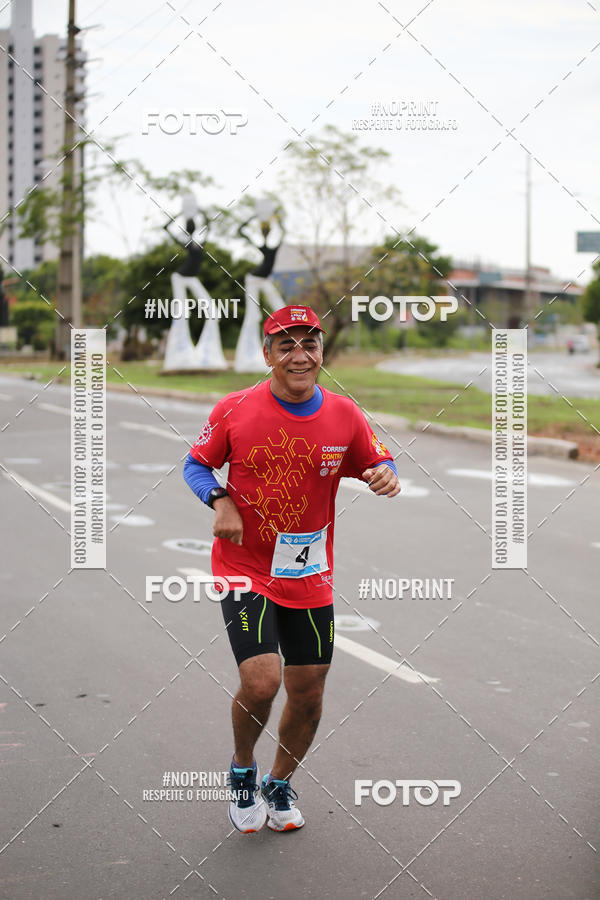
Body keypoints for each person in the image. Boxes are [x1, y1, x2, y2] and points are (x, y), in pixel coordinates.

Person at [183, 304, 400, 833]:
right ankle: (243, 770)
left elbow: (377, 458)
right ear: (268, 355)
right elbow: (196, 463)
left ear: (322, 351)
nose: (300, 356)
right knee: (262, 682)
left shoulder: (345, 414)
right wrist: (220, 501)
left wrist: (384, 472)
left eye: (310, 344)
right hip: (245, 567)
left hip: (308, 573)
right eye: (287, 346)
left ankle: (278, 783)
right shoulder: (235, 409)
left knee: (308, 690)